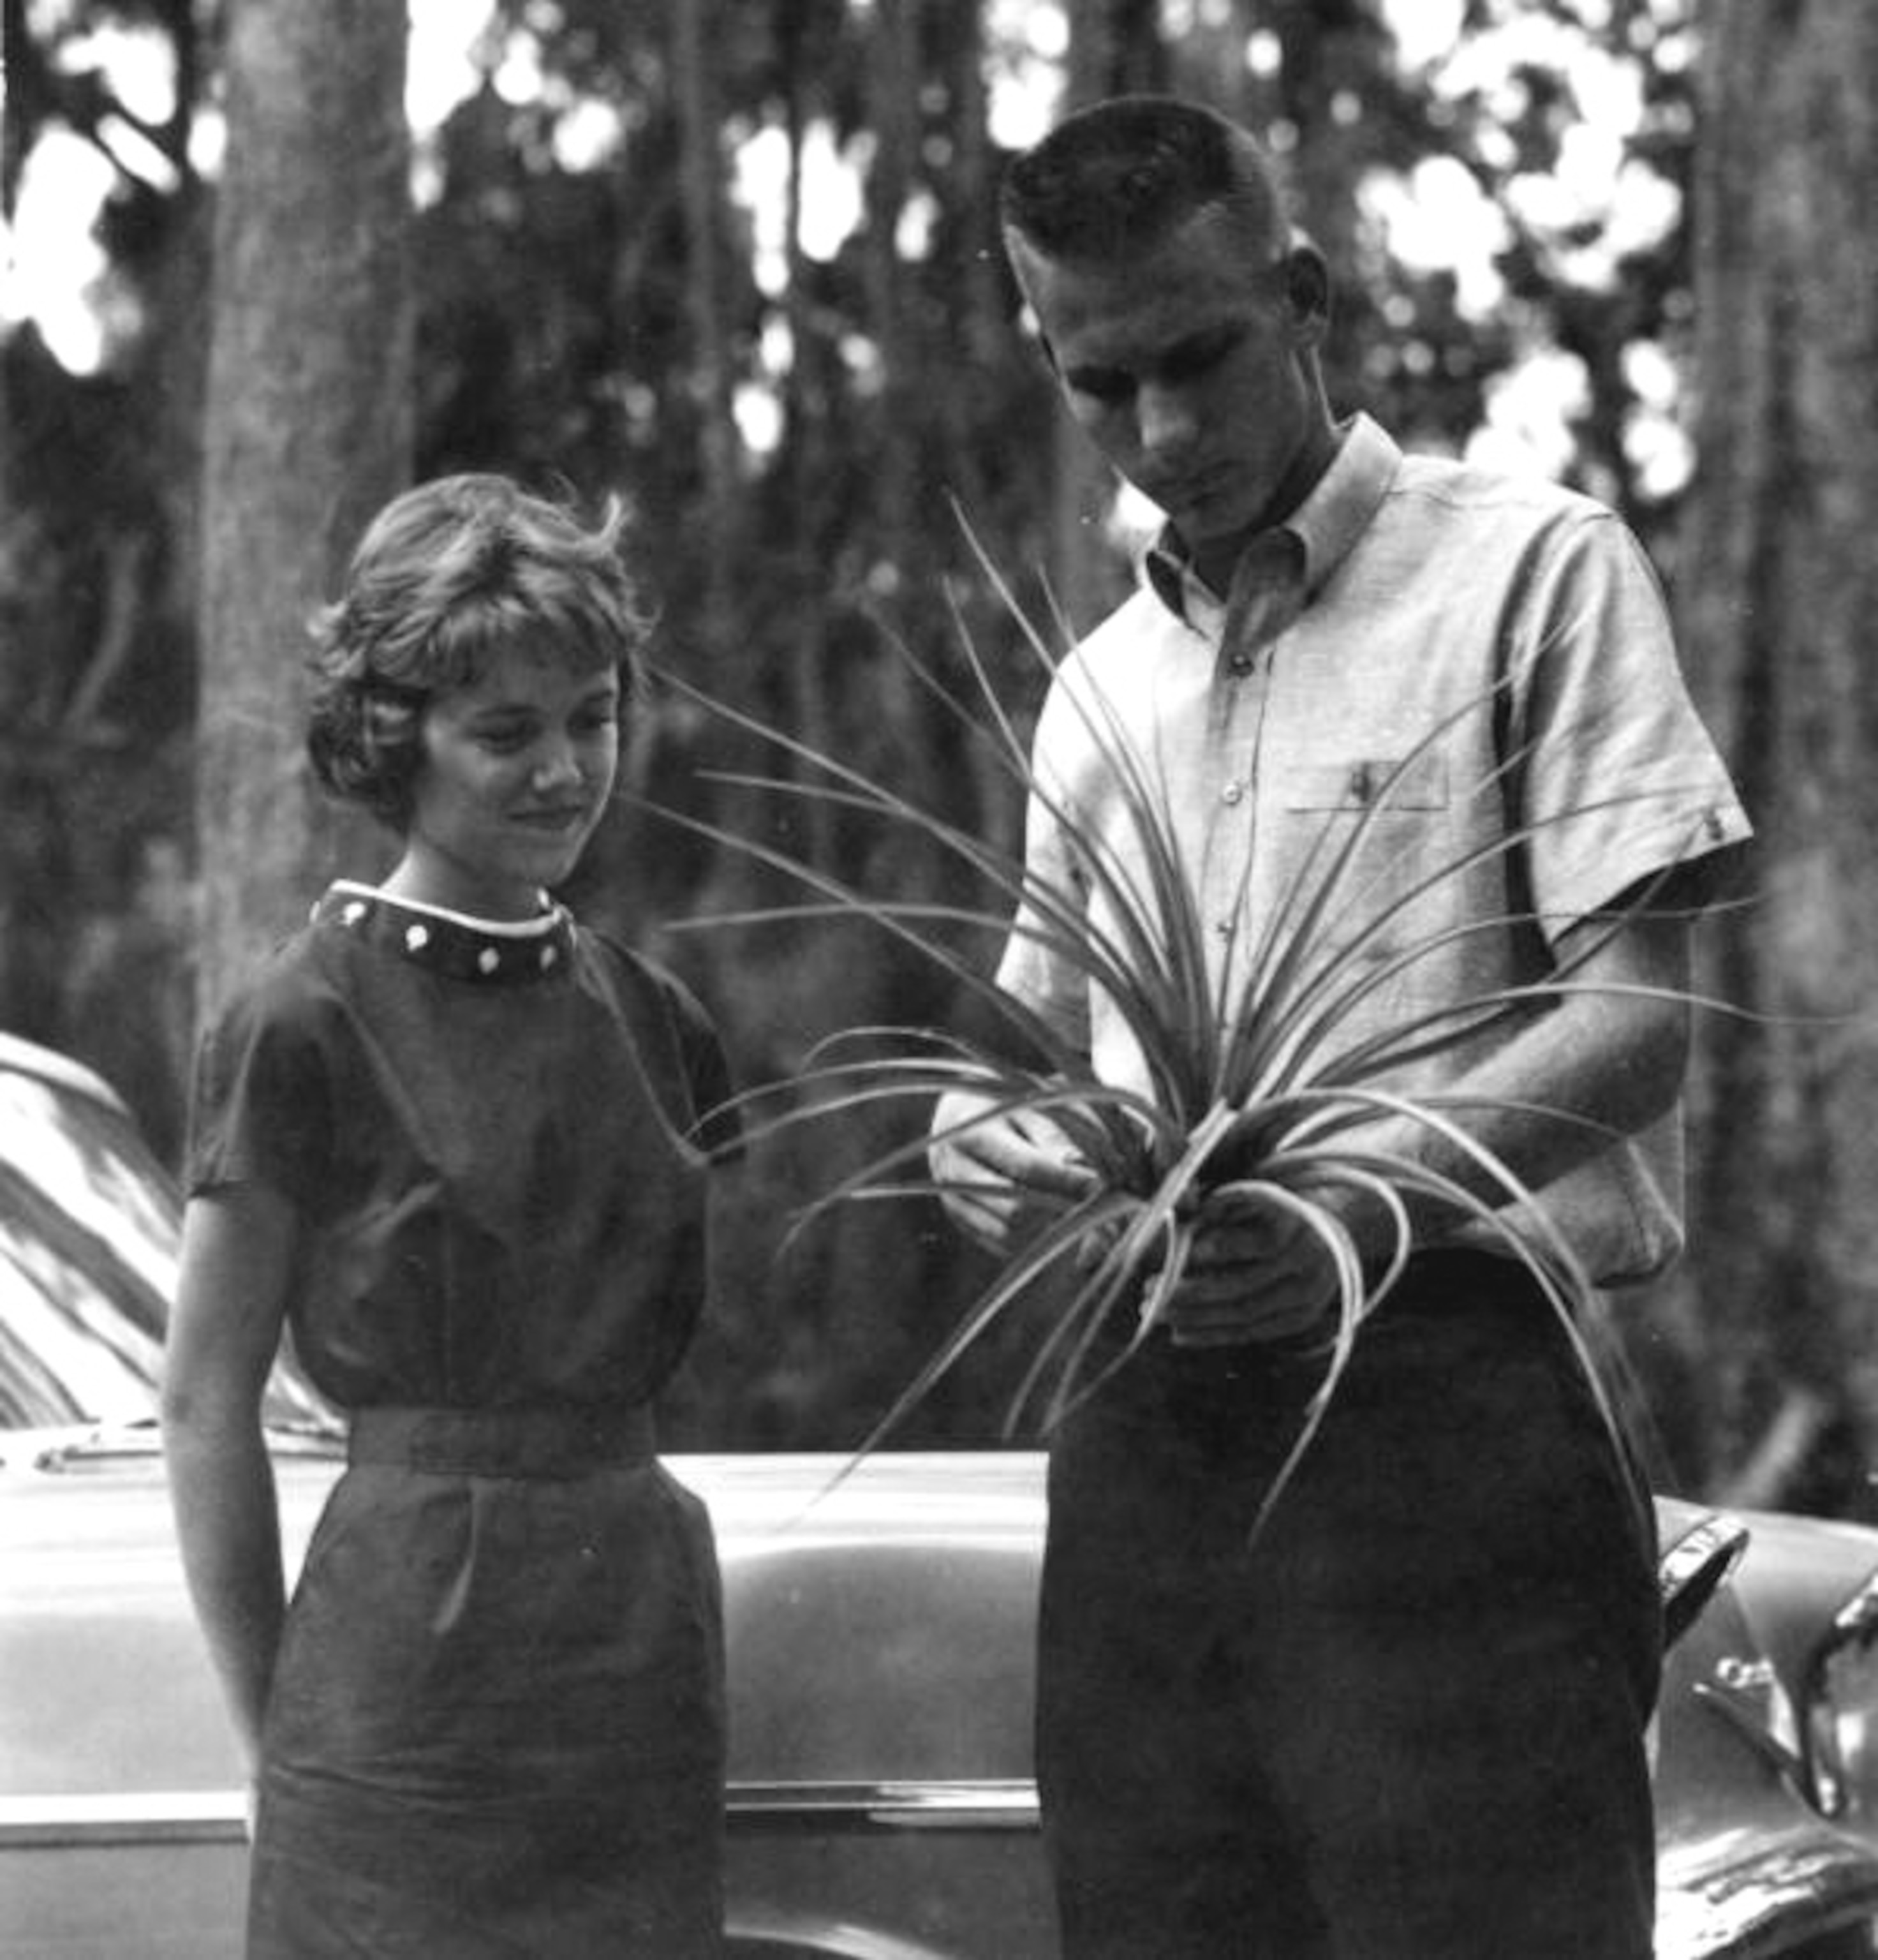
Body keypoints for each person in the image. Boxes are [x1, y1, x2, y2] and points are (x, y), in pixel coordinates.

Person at [930, 96, 1752, 1958]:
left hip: (1449, 1414)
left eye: (1201, 357)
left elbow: (1640, 1017)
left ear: (1304, 296)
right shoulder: (1099, 693)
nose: (1158, 438)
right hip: (1150, 1443)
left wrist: (1352, 1208)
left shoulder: (1530, 573)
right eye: (1096, 385)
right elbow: (1009, 1075)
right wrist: (1006, 1162)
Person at [161, 473, 739, 1957]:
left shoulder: (654, 1015)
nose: (562, 770)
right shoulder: (301, 1019)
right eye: (505, 731)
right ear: (390, 737)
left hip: (632, 1649)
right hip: (396, 1685)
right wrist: (270, 1738)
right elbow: (204, 1402)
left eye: (590, 718)